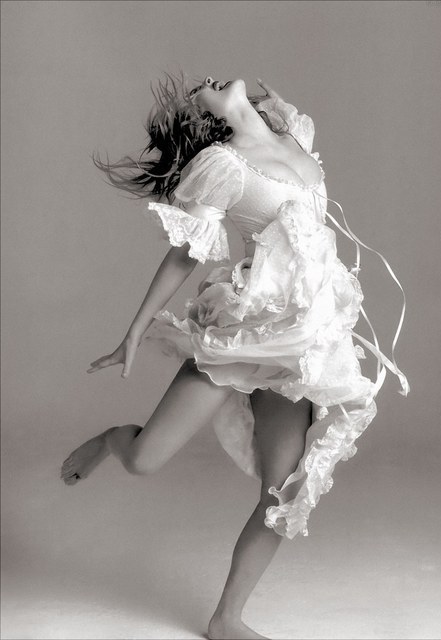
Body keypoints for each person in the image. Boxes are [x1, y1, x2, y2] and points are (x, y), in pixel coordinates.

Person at [61, 74, 410, 640]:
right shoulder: (222, 165)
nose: (209, 79)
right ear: (208, 119)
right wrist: (137, 327)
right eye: (204, 88)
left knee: (284, 491)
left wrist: (259, 103)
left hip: (305, 339)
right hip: (247, 331)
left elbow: (273, 112)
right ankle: (114, 440)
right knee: (146, 460)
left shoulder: (293, 130)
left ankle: (226, 619)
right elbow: (185, 254)